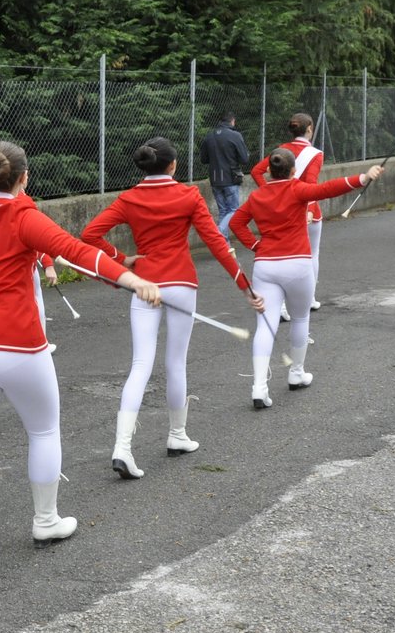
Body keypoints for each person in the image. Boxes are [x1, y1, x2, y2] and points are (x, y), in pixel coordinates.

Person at [0, 142, 162, 582]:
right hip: (19, 348)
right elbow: (77, 251)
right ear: (24, 178)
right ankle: (45, 522)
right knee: (43, 430)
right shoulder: (24, 217)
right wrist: (131, 278)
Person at [81, 137, 264, 478]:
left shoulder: (129, 198)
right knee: (175, 362)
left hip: (145, 284)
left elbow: (90, 234)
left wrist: (123, 260)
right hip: (181, 284)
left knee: (140, 365)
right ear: (172, 165)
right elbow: (217, 242)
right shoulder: (188, 195)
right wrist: (245, 287)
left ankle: (122, 447)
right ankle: (177, 435)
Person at [230, 154, 385, 408]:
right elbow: (327, 188)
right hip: (298, 263)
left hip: (266, 265)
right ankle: (297, 372)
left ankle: (259, 386)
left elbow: (236, 223)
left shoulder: (257, 195)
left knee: (265, 325)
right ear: (293, 171)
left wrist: (256, 245)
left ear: (269, 171)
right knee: (301, 318)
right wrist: (363, 177)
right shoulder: (297, 188)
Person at [250, 113, 323, 315]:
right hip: (307, 207)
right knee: (311, 255)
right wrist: (308, 209)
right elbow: (311, 185)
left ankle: (280, 306)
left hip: (275, 208)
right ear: (309, 128)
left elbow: (256, 171)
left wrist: (270, 192)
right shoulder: (315, 153)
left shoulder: (281, 150)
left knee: (276, 254)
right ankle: (309, 299)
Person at [199, 112, 250, 236]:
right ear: (232, 121)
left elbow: (204, 159)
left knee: (223, 211)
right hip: (231, 178)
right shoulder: (235, 135)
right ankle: (219, 232)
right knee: (233, 210)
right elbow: (244, 159)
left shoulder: (209, 136)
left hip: (215, 179)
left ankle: (224, 245)